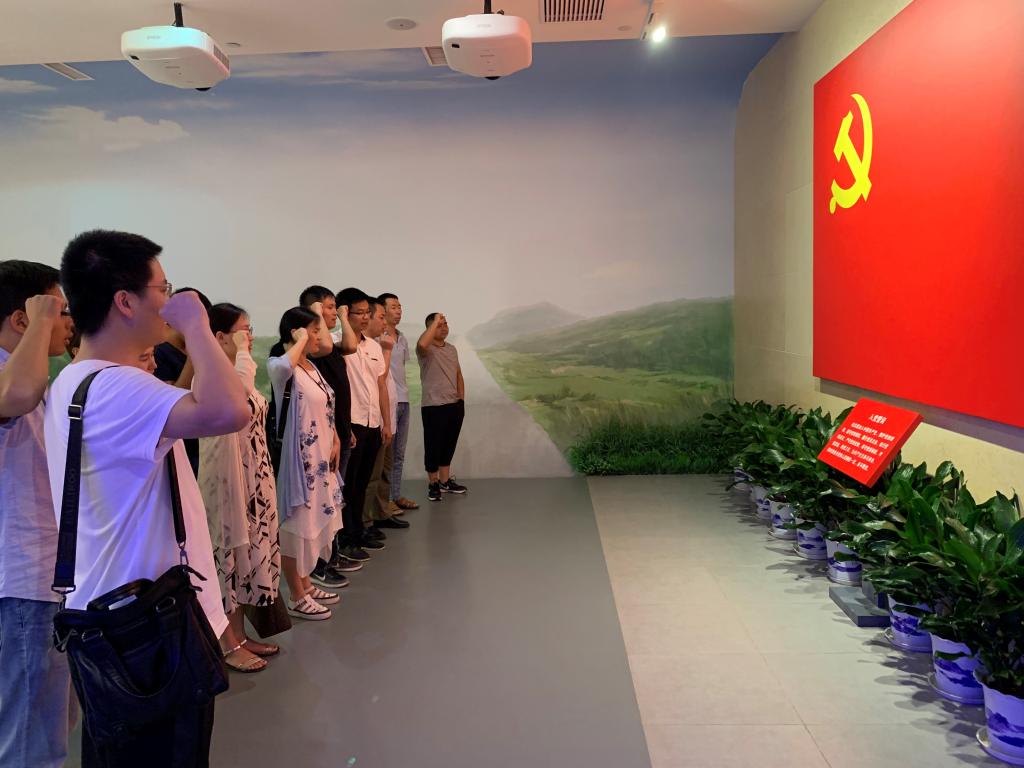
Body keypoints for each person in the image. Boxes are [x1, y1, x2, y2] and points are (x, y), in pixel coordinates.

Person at [45, 230, 249, 767]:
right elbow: (231, 411)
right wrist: (198, 326)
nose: (170, 301)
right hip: (150, 629)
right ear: (125, 300)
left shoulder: (77, 381)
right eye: (164, 289)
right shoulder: (119, 388)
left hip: (111, 615)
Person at [0, 261, 74, 768]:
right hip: (23, 579)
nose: (70, 322)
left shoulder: (29, 374)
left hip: (43, 573)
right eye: (61, 311)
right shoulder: (14, 378)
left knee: (48, 722)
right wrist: (44, 317)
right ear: (23, 318)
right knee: (30, 735)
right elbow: (16, 396)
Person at [200, 303, 283, 672]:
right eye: (242, 330)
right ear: (220, 337)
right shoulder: (214, 375)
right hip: (227, 480)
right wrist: (243, 352)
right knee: (228, 559)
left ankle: (240, 634)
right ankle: (226, 643)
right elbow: (241, 392)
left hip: (251, 476)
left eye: (250, 329)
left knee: (246, 558)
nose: (249, 336)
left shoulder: (235, 370)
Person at [267, 307, 344, 620]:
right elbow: (284, 365)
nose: (318, 337)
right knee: (295, 527)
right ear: (296, 332)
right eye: (313, 330)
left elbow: (326, 405)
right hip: (298, 463)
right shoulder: (280, 366)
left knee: (311, 524)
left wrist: (335, 438)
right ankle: (296, 595)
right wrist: (299, 340)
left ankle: (307, 584)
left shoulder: (312, 366)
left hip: (320, 461)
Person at [298, 286, 361, 589]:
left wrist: (345, 431)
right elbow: (322, 345)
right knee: (325, 502)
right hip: (321, 439)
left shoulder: (331, 344)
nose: (336, 312)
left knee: (336, 500)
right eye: (330, 307)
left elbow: (350, 344)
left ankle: (331, 555)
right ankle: (320, 564)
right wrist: (314, 315)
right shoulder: (314, 347)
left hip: (339, 432)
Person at [335, 289, 391, 562]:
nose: (366, 317)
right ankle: (345, 538)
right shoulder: (336, 344)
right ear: (345, 313)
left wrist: (386, 422)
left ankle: (358, 531)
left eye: (368, 312)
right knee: (347, 485)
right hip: (352, 423)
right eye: (360, 313)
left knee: (362, 483)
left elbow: (380, 386)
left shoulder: (374, 347)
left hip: (372, 422)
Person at [153, 286, 213, 477]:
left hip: (200, 444)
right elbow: (174, 401)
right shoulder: (158, 353)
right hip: (177, 448)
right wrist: (194, 355)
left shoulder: (190, 350)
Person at [363, 298, 410, 532]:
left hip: (389, 414)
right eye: (381, 316)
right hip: (376, 419)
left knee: (385, 469)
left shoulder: (380, 344)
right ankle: (364, 523)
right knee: (371, 475)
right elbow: (377, 382)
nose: (384, 322)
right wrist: (387, 350)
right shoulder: (369, 347)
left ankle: (382, 513)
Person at [417, 312, 468, 502]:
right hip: (433, 405)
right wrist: (435, 321)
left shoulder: (452, 349)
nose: (444, 327)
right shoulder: (425, 350)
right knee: (433, 446)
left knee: (448, 444)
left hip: (454, 405)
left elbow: (458, 375)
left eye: (445, 323)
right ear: (429, 328)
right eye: (439, 325)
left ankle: (445, 482)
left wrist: (461, 400)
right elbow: (422, 344)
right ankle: (433, 483)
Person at [379, 293, 418, 514]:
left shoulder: (402, 338)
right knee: (386, 455)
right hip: (388, 401)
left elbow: (401, 368)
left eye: (400, 306)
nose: (399, 310)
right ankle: (384, 500)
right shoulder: (378, 338)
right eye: (394, 307)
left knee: (399, 453)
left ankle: (395, 495)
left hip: (404, 400)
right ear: (382, 311)